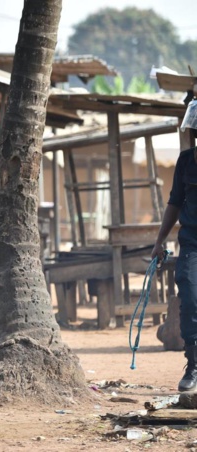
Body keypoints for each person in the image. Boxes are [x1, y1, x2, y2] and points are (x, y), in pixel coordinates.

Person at [151, 103, 197, 392]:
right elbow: (174, 202)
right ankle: (193, 365)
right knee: (189, 292)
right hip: (192, 241)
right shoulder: (185, 161)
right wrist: (160, 241)